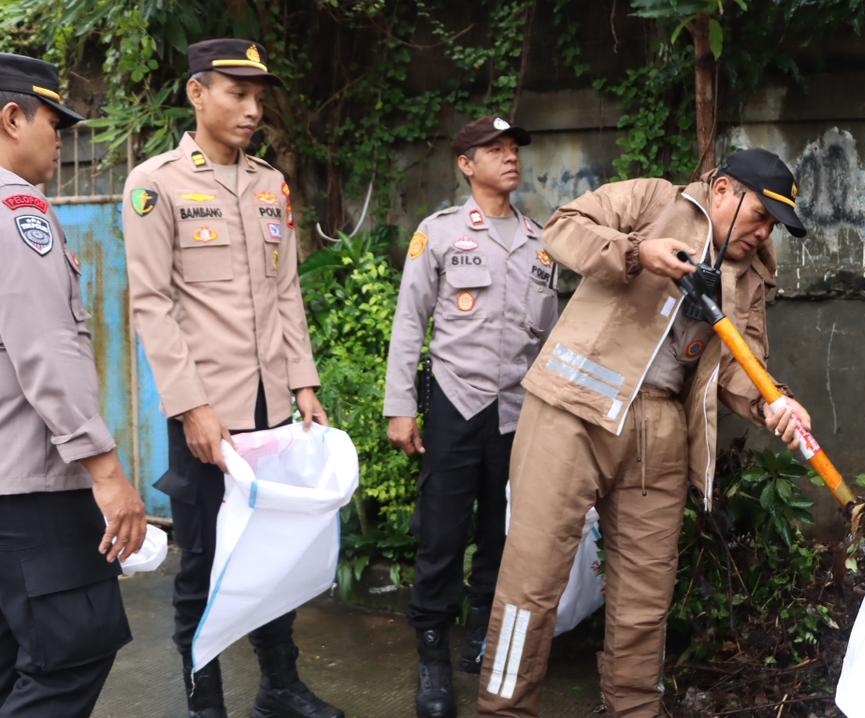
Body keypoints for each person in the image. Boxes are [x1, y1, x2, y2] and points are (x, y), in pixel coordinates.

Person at [477, 148, 814, 717]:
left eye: (774, 225)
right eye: (760, 215)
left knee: (644, 601)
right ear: (725, 189)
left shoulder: (752, 274)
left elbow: (740, 363)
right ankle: (501, 709)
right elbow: (562, 228)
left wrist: (772, 402)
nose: (763, 234)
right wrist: (636, 252)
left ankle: (634, 709)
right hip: (572, 406)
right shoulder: (655, 200)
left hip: (659, 428)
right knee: (529, 586)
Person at [122, 39, 341, 718]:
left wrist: (304, 385)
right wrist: (190, 408)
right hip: (207, 416)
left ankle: (280, 687)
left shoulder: (270, 184)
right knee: (204, 569)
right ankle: (204, 703)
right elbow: (151, 303)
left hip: (273, 409)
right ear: (197, 93)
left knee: (271, 560)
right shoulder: (155, 183)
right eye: (235, 93)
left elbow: (286, 293)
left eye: (257, 96)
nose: (252, 109)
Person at [383, 115, 557, 718]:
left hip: (519, 411)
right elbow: (410, 323)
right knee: (441, 535)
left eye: (514, 149)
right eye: (495, 149)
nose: (510, 158)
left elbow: (551, 337)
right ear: (466, 163)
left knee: (502, 537)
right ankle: (432, 653)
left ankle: (481, 635)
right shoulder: (439, 234)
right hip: (456, 405)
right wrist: (400, 406)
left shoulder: (542, 240)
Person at [0, 51, 147, 718]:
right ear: (11, 118)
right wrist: (107, 470)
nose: (62, 136)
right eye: (52, 120)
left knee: (11, 662)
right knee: (71, 651)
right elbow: (47, 350)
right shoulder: (17, 214)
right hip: (34, 488)